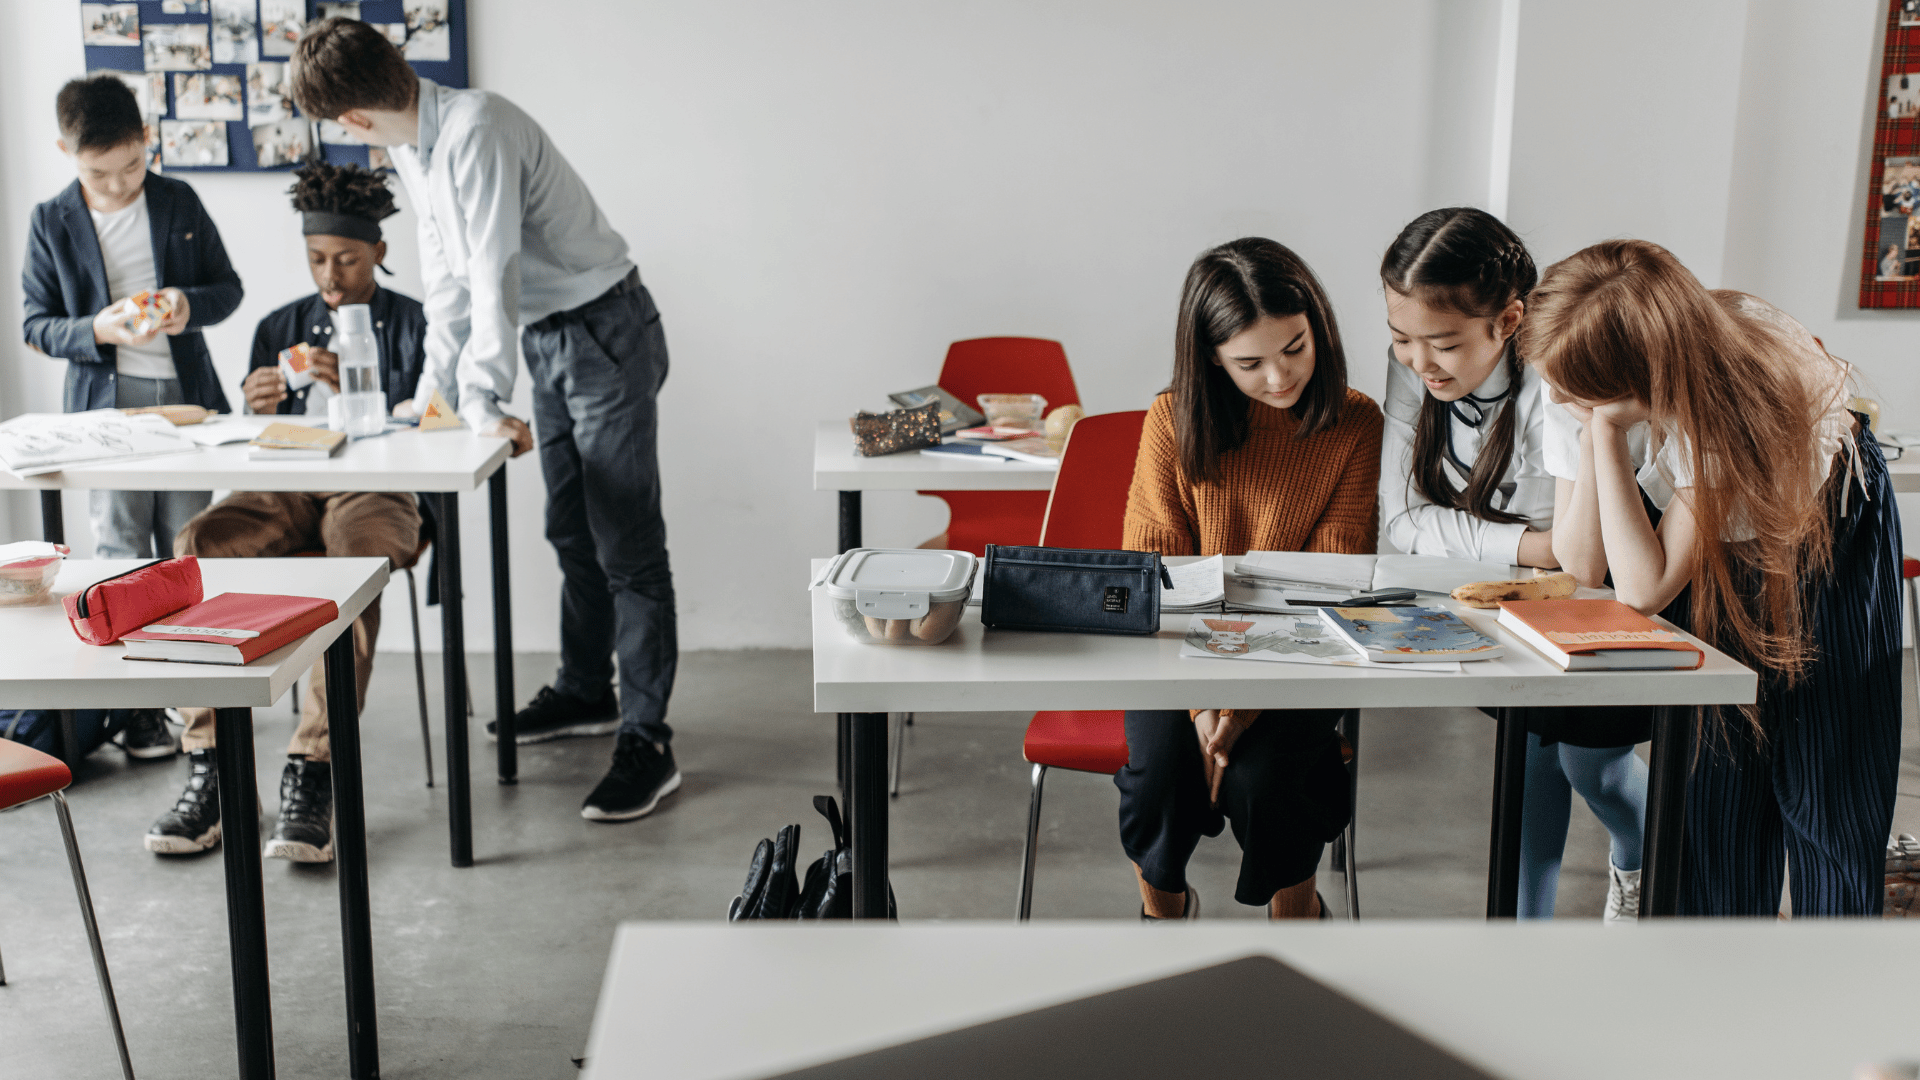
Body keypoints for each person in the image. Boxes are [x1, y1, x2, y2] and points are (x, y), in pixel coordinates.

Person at [289, 18, 682, 823]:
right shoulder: (413, 144)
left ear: (351, 119)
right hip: (549, 337)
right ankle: (585, 691)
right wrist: (435, 399)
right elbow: (447, 284)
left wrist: (479, 398)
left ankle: (649, 741)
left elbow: (492, 268)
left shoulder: (478, 128)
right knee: (570, 529)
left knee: (627, 544)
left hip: (604, 330)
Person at [1524, 240, 1901, 917]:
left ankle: (1841, 986)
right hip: (1707, 539)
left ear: (1641, 380)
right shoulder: (1574, 368)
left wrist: (1605, 433)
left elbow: (1644, 589)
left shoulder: (1731, 391)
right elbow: (1581, 565)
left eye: (1576, 391)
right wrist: (1595, 428)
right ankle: (1714, 983)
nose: (1555, 396)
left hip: (1827, 532)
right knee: (1715, 785)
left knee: (1826, 787)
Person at [145, 161, 427, 860]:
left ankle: (315, 768)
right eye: (316, 260)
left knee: (355, 569)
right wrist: (259, 403)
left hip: (377, 485)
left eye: (347, 260)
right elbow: (249, 441)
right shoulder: (279, 324)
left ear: (379, 254)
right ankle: (211, 762)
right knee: (199, 541)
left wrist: (371, 389)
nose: (330, 276)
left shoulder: (418, 324)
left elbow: (437, 422)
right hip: (287, 478)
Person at [1379, 207, 1648, 921]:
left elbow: (1584, 556)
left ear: (1508, 320)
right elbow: (1402, 522)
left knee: (1594, 768)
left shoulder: (1558, 379)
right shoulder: (1416, 370)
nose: (1417, 361)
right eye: (1400, 338)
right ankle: (1523, 936)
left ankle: (1642, 860)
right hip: (1513, 598)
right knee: (1529, 764)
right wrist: (1532, 547)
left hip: (1612, 586)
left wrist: (1518, 544)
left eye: (1440, 342)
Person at [1119, 238, 1381, 920]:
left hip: (1302, 652)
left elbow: (1330, 581)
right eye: (1250, 362)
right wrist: (1207, 707)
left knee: (1268, 782)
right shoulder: (1170, 422)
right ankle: (1161, 906)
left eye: (1295, 347)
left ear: (1316, 325)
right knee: (1162, 785)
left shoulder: (1355, 424)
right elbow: (1158, 581)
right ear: (1211, 357)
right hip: (1174, 656)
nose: (1279, 376)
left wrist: (1241, 709)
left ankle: (1297, 910)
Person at [22, 74, 244, 761]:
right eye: (99, 171)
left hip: (183, 405)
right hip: (103, 413)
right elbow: (37, 324)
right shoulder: (50, 218)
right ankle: (137, 710)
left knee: (185, 550)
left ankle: (191, 705)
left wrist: (185, 304)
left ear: (148, 140)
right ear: (64, 150)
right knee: (120, 554)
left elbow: (226, 289)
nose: (119, 184)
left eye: (131, 165)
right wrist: (98, 328)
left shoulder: (178, 198)